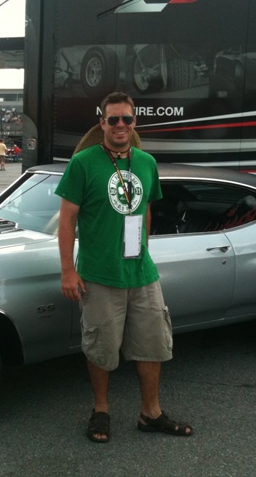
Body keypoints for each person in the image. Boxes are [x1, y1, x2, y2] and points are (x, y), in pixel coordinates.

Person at [56, 92, 193, 443]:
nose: (120, 125)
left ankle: (151, 413)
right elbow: (67, 220)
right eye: (113, 119)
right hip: (99, 274)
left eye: (126, 119)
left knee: (153, 344)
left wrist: (142, 247)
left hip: (142, 272)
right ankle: (101, 410)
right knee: (102, 347)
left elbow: (145, 209)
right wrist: (68, 271)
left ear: (135, 123)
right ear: (102, 123)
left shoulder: (146, 162)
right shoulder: (84, 163)